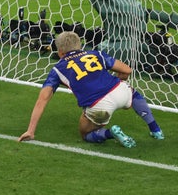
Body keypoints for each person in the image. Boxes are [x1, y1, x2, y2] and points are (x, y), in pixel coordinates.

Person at [18, 31, 164, 147]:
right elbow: (127, 70)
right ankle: (156, 130)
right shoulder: (96, 54)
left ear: (60, 52)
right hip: (119, 91)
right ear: (80, 46)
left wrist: (31, 130)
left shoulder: (57, 70)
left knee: (85, 133)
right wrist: (120, 79)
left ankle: (110, 134)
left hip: (99, 105)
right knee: (131, 92)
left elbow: (42, 100)